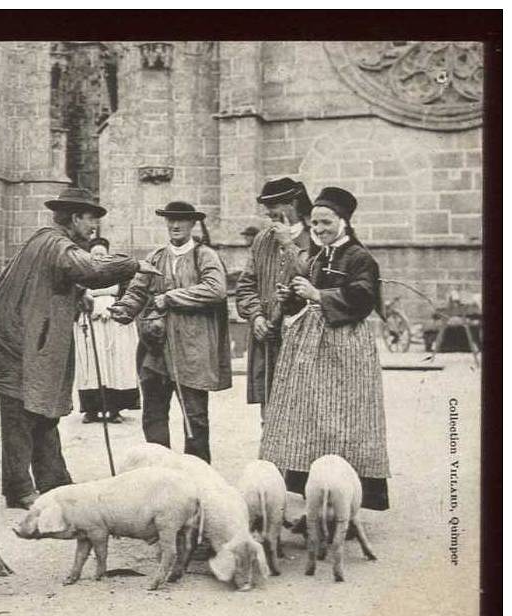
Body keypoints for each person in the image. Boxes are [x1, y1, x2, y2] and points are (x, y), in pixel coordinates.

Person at [0, 187, 148, 509]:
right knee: (20, 417)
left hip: (28, 343)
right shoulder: (55, 243)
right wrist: (134, 265)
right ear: (75, 217)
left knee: (43, 412)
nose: (94, 227)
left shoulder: (44, 241)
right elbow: (90, 269)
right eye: (91, 219)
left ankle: (53, 480)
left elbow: (52, 280)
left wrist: (78, 294)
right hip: (20, 346)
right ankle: (19, 489)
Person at [260, 187, 390, 513]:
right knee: (311, 421)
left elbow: (363, 298)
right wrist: (291, 297)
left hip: (345, 347)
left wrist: (318, 295)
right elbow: (305, 295)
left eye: (325, 223)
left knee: (341, 423)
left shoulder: (359, 257)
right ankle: (315, 504)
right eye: (314, 224)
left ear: (343, 222)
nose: (318, 230)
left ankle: (342, 508)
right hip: (310, 346)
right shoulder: (320, 254)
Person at [110, 201, 232, 464]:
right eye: (170, 220)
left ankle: (197, 473)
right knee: (153, 413)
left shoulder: (205, 256)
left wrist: (171, 297)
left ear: (192, 224)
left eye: (181, 220)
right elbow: (138, 290)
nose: (175, 225)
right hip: (155, 348)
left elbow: (216, 288)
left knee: (195, 416)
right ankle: (159, 471)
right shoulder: (156, 257)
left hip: (192, 349)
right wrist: (124, 308)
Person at [235, 177, 313, 412]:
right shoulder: (261, 240)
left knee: (303, 408)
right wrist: (256, 316)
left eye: (275, 206)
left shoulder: (315, 238)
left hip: (303, 339)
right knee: (269, 410)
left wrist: (289, 244)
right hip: (267, 340)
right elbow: (246, 285)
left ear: (294, 205)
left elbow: (316, 280)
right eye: (268, 208)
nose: (270, 214)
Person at [73, 237, 140, 424]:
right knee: (92, 365)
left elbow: (128, 294)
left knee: (115, 366)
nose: (99, 258)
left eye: (102, 254)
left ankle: (114, 409)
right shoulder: (81, 273)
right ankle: (91, 410)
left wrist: (112, 309)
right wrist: (90, 308)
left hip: (114, 323)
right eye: (95, 255)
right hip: (89, 321)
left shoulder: (117, 272)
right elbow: (76, 293)